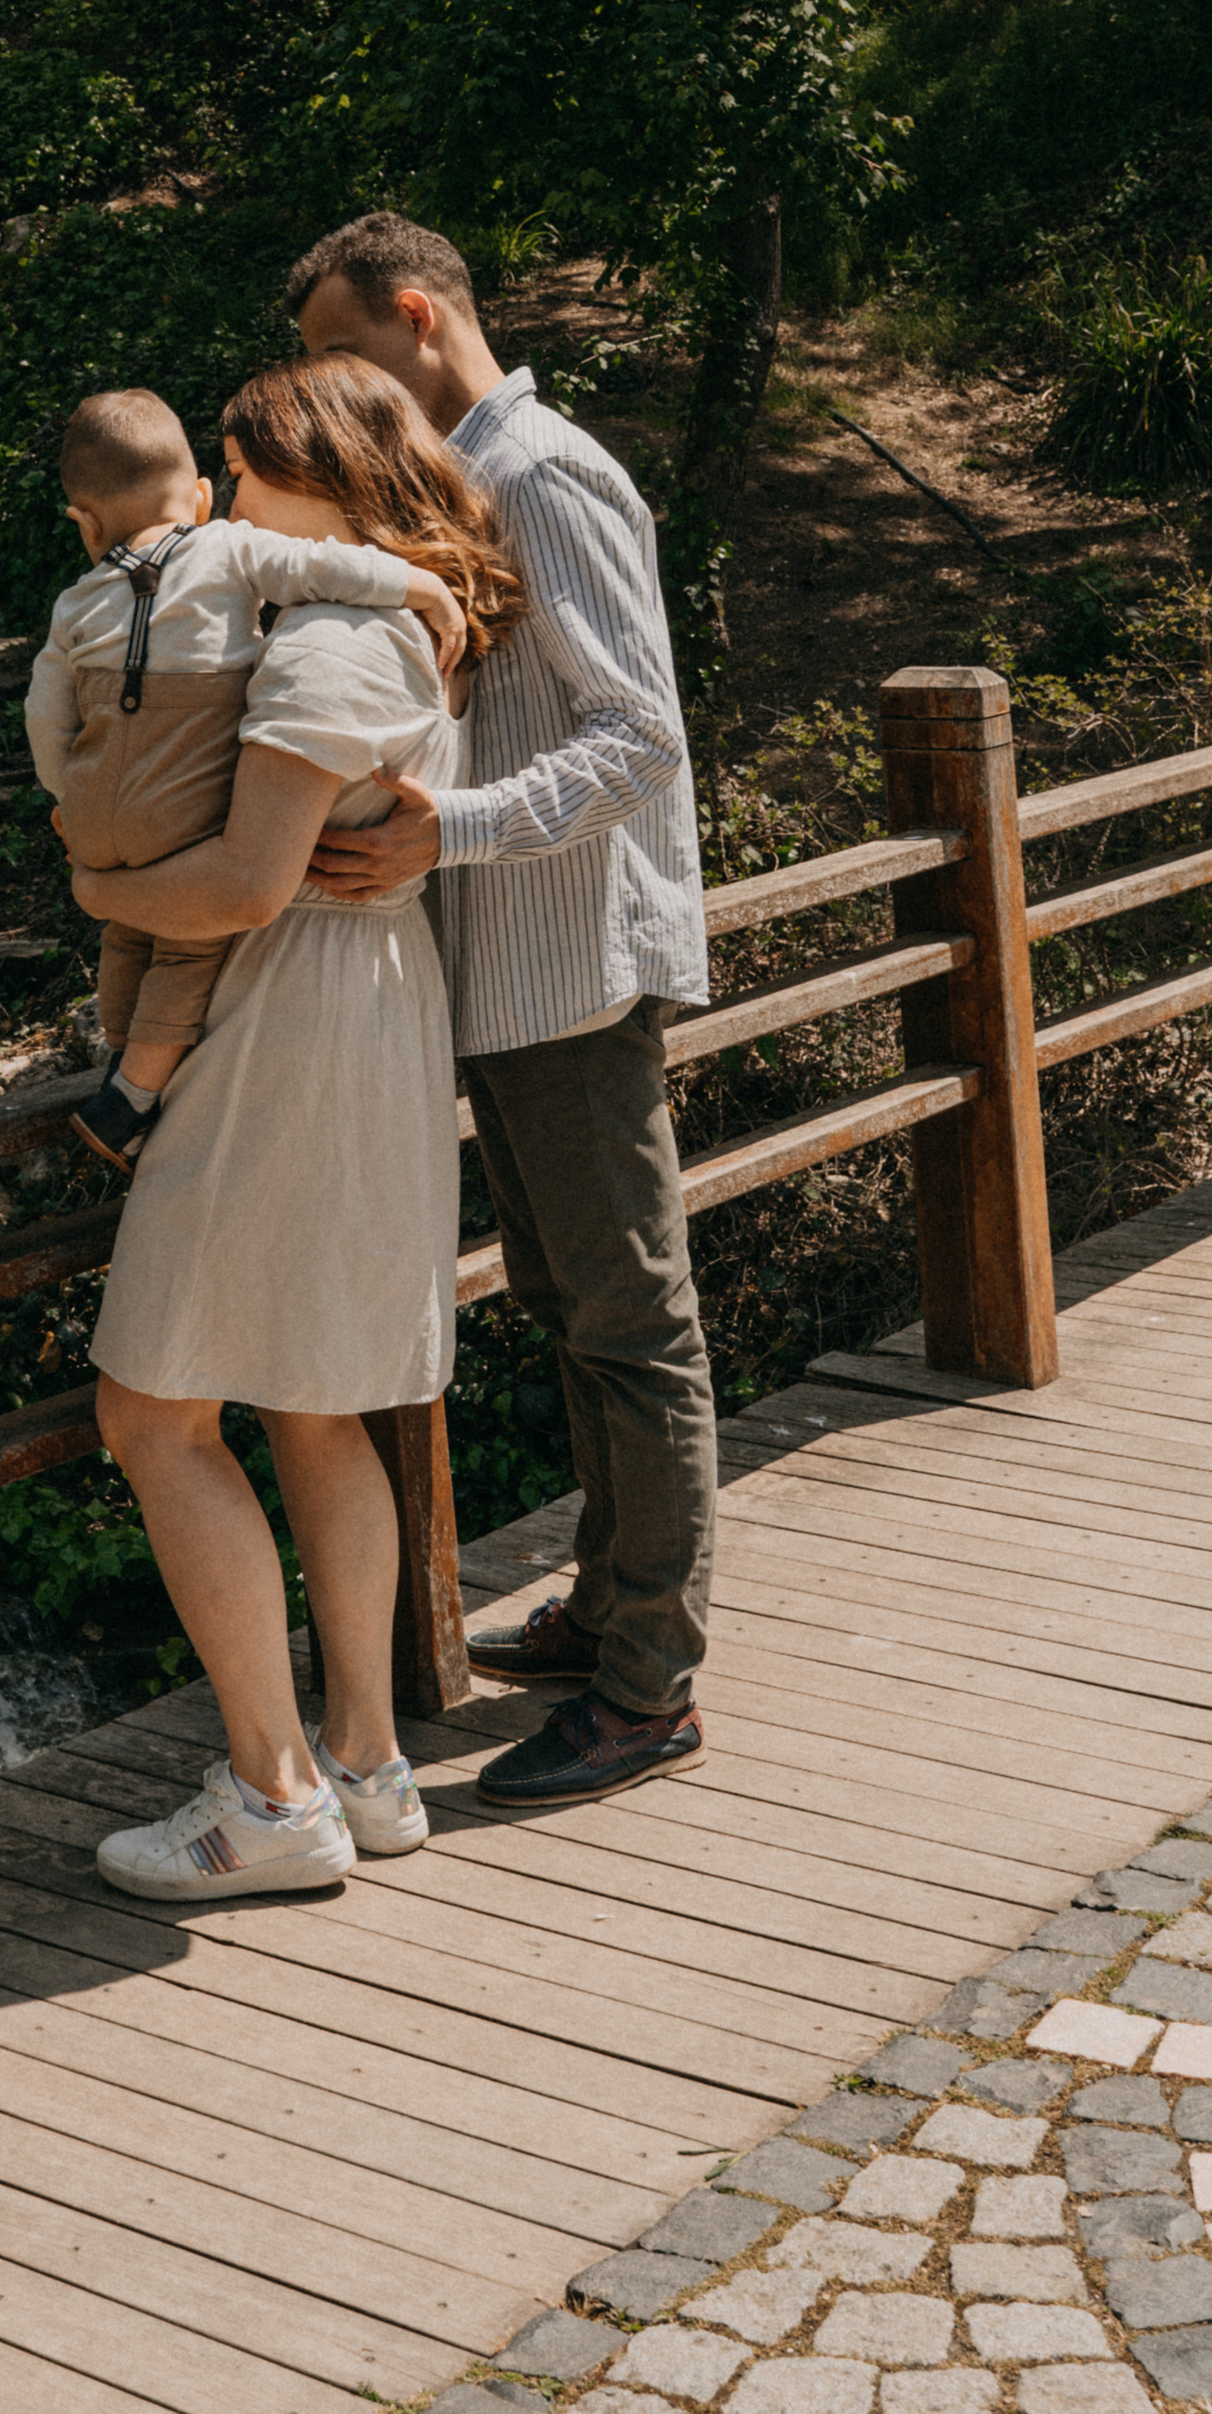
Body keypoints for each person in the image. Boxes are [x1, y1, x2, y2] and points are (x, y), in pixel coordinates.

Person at [68, 353, 526, 1900]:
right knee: (318, 1402)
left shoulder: (333, 632)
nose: (222, 503)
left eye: (246, 476)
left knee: (156, 1411)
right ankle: (368, 1763)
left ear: (318, 483)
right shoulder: (388, 609)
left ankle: (272, 1796)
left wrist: (100, 890)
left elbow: (248, 886)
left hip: (290, 1017)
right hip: (366, 1005)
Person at [290, 210, 717, 1810]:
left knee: (631, 1320)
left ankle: (649, 1689)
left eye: (343, 355)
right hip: (512, 975)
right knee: (570, 1305)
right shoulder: (470, 482)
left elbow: (641, 740)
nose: (338, 394)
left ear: (415, 316)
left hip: (574, 967)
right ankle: (614, 1605)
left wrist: (442, 832)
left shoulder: (542, 472)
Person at [25, 388, 468, 1173]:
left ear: (85, 525)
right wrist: (418, 584)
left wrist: (68, 798)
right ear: (198, 498)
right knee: (187, 945)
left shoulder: (73, 601)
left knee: (127, 930)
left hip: (98, 808)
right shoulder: (224, 549)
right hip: (182, 803)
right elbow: (319, 566)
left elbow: (45, 710)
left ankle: (119, 1049)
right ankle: (133, 1093)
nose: (229, 499)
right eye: (221, 480)